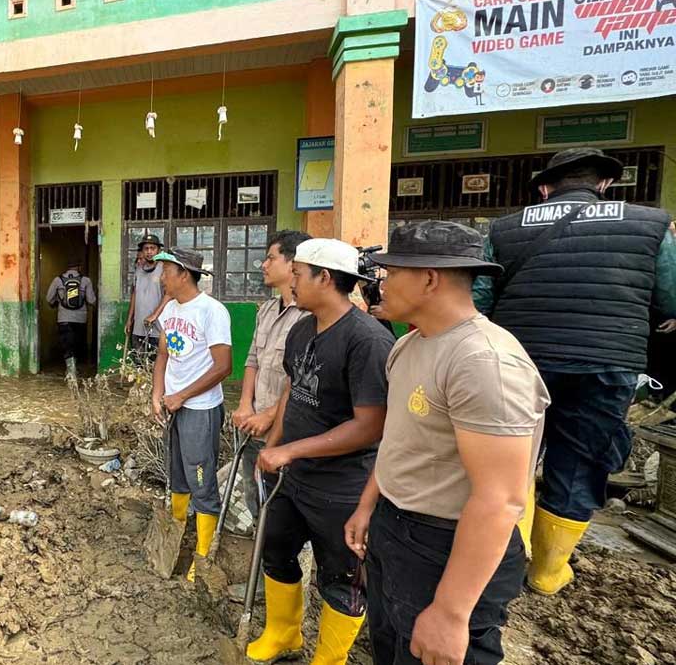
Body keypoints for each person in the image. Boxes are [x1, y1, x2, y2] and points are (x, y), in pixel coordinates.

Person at [473, 147, 676, 595]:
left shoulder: (506, 228)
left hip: (520, 361)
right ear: (604, 184)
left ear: (546, 187)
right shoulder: (651, 223)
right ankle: (547, 571)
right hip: (604, 363)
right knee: (580, 462)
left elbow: (481, 300)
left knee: (511, 460)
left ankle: (503, 559)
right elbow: (670, 300)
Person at [346, 221, 549, 665]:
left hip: (447, 547)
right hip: (394, 528)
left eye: (390, 274)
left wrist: (452, 611)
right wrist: (368, 506)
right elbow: (400, 441)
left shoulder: (483, 361)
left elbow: (500, 500)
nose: (380, 285)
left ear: (429, 278)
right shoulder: (410, 345)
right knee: (392, 646)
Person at [250, 238, 394, 665]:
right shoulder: (302, 328)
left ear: (325, 278)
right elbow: (294, 392)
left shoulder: (366, 340)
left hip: (342, 485)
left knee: (343, 577)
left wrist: (291, 450)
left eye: (298, 274)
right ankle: (283, 634)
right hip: (291, 477)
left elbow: (370, 425)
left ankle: (327, 660)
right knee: (275, 550)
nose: (291, 281)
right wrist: (273, 449)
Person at [149, 248, 232, 582]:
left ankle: (202, 555)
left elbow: (223, 366)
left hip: (199, 409)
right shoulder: (170, 309)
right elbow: (163, 356)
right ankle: (177, 536)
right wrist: (158, 394)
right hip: (173, 406)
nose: (161, 277)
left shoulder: (212, 312)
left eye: (166, 270)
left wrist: (182, 395)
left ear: (184, 273)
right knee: (178, 474)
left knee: (201, 480)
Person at [232, 230, 311, 523]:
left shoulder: (308, 317)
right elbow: (252, 360)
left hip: (287, 429)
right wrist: (244, 404)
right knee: (255, 494)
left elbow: (302, 379)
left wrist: (270, 414)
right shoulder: (265, 310)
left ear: (292, 264)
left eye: (270, 258)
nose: (263, 265)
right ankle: (261, 554)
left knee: (282, 508)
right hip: (253, 425)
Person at [45, 258, 97, 378]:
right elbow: (91, 300)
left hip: (64, 318)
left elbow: (48, 298)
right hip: (80, 319)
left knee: (67, 344)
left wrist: (57, 301)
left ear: (67, 267)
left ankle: (70, 370)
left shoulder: (58, 280)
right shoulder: (85, 280)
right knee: (77, 344)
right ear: (79, 267)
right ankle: (75, 369)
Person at [125, 234, 171, 363]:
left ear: (158, 250)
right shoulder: (139, 269)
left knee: (156, 365)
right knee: (139, 365)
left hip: (157, 328)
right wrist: (129, 320)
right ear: (142, 251)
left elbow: (169, 294)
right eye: (146, 248)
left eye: (152, 248)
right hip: (138, 326)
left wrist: (155, 315)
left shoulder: (164, 269)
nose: (149, 251)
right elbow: (135, 294)